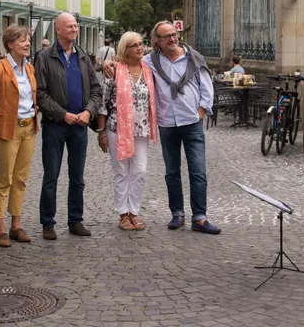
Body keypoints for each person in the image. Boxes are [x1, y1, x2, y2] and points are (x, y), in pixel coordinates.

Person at [103, 21, 220, 234]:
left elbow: (207, 87)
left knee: (198, 171)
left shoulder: (193, 58)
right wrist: (105, 63)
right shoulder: (150, 61)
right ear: (158, 41)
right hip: (167, 123)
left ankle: (200, 217)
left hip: (191, 122)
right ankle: (177, 214)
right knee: (172, 172)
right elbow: (125, 62)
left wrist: (201, 112)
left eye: (174, 34)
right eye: (167, 36)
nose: (173, 39)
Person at [35, 13, 102, 240]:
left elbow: (96, 90)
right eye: (69, 27)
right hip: (55, 125)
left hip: (80, 126)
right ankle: (48, 223)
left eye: (75, 26)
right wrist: (62, 114)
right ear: (58, 30)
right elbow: (40, 94)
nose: (74, 30)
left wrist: (88, 112)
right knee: (51, 176)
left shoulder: (83, 57)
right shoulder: (44, 57)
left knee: (78, 177)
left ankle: (75, 220)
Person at [0, 25, 38, 247]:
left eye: (27, 40)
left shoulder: (30, 69)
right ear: (10, 44)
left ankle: (16, 224)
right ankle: (1, 228)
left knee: (21, 179)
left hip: (29, 128)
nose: (27, 43)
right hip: (7, 129)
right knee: (4, 179)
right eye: (22, 40)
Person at [96, 31, 157, 231]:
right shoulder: (114, 71)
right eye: (134, 45)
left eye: (141, 44)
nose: (139, 48)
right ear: (125, 49)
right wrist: (101, 131)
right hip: (117, 128)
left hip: (141, 129)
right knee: (121, 171)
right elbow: (103, 104)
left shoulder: (147, 70)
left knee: (139, 170)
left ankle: (134, 211)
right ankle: (123, 213)